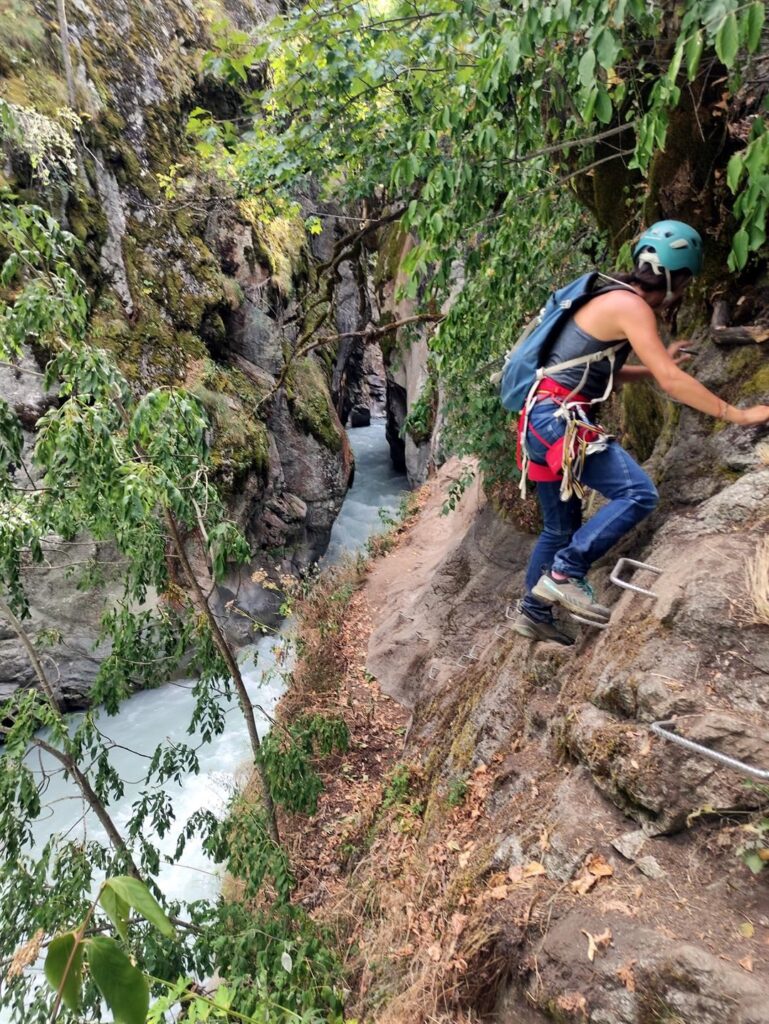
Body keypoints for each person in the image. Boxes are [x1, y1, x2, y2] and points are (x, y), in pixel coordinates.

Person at [513, 220, 769, 644]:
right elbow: (671, 381)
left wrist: (656, 364)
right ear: (675, 277)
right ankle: (563, 574)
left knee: (558, 529)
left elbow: (594, 369)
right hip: (560, 422)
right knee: (638, 493)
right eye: (685, 282)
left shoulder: (609, 294)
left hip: (538, 422)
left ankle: (533, 612)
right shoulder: (632, 307)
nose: (684, 292)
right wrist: (737, 415)